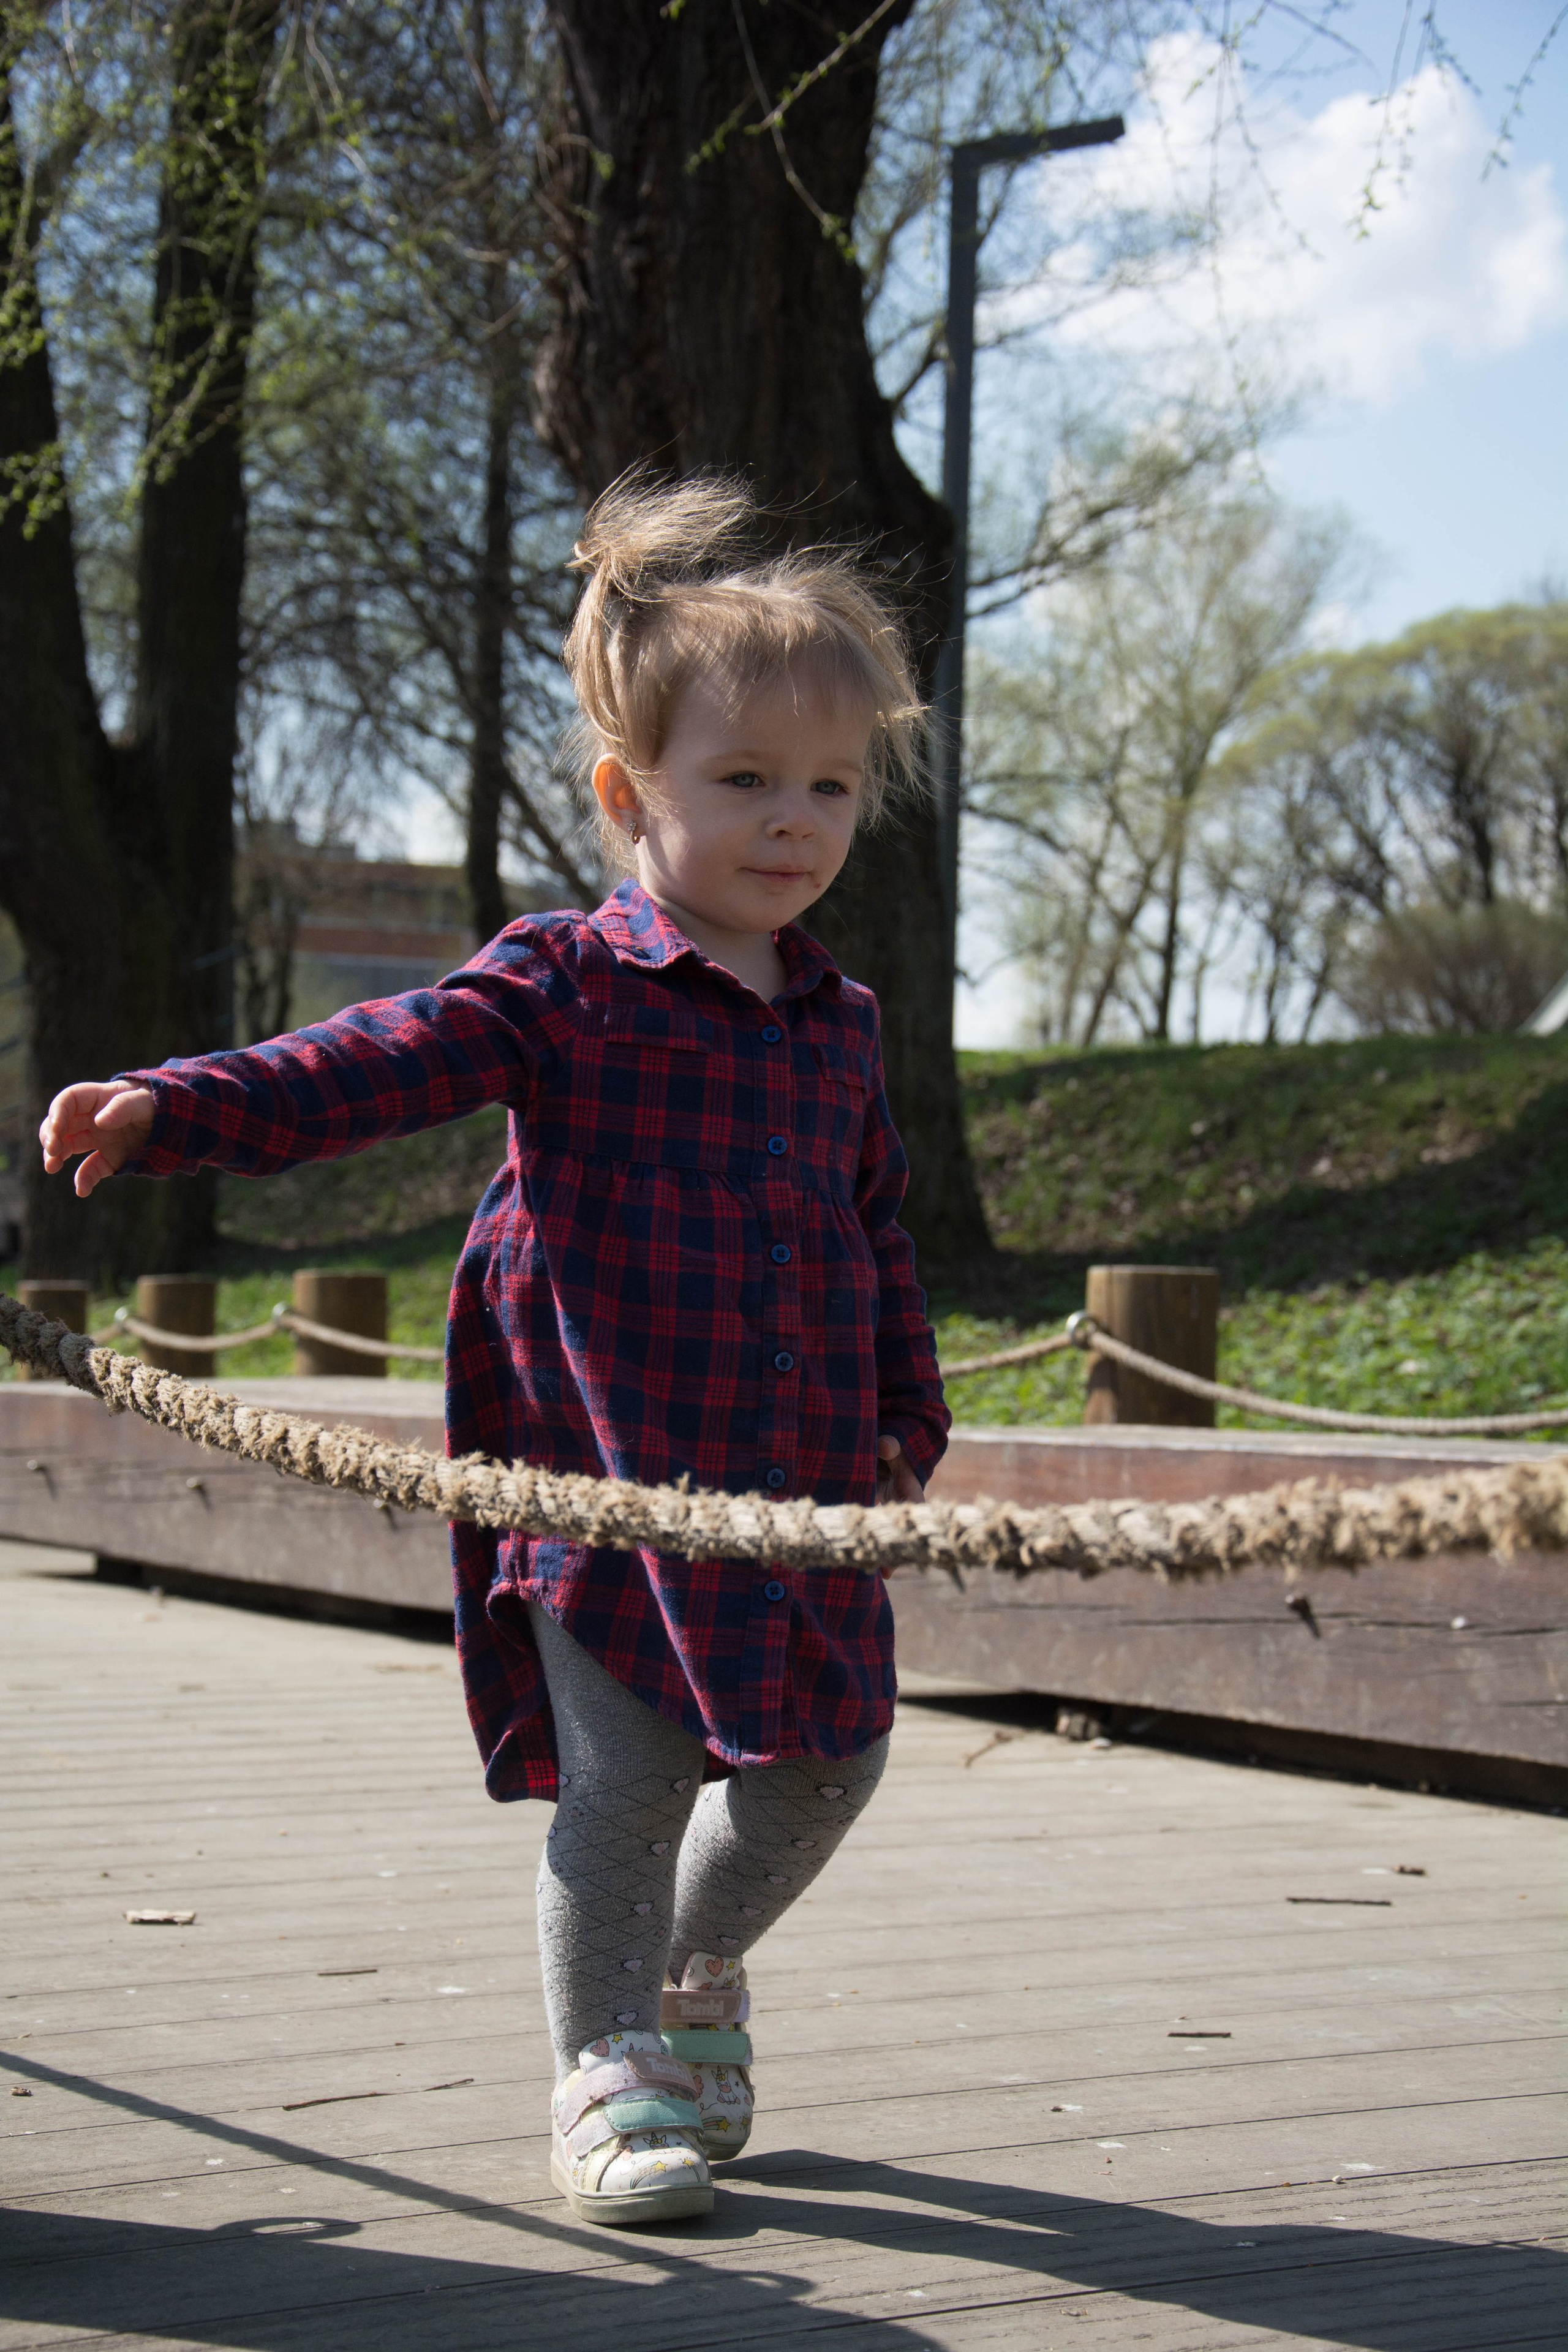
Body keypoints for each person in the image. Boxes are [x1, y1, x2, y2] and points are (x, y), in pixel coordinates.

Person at [39, 472, 950, 2228]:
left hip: (801, 1493)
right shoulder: (565, 988)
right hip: (596, 1477)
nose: (795, 822)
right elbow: (374, 1060)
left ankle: (693, 1975)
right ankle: (607, 2074)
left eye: (829, 786)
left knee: (832, 1760)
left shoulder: (840, 1027)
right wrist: (180, 1107)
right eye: (743, 780)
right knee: (631, 1776)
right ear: (629, 795)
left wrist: (906, 1409)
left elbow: (878, 1226)